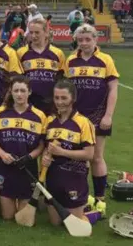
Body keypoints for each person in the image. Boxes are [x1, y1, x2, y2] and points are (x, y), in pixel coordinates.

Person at [64, 24, 120, 216]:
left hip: (99, 117)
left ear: (96, 39)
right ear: (76, 41)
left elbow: (113, 89)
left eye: (88, 39)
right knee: (81, 161)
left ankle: (100, 198)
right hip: (78, 119)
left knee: (96, 157)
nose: (84, 43)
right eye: (80, 40)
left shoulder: (105, 60)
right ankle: (84, 197)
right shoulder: (71, 60)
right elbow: (66, 91)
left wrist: (109, 115)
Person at [0, 75, 46, 220]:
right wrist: (2, 154)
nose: (19, 94)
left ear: (29, 92)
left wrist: (29, 157)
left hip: (27, 169)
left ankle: (37, 201)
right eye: (16, 91)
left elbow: (41, 144)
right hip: (5, 167)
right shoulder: (0, 112)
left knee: (23, 219)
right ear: (11, 92)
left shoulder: (39, 116)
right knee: (8, 217)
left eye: (23, 91)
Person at [41, 80, 95, 226]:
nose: (59, 102)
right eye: (56, 97)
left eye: (64, 98)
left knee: (73, 224)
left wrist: (62, 152)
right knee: (55, 223)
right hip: (53, 179)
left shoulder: (83, 123)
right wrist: (45, 157)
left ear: (73, 99)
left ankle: (93, 210)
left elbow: (89, 154)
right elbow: (47, 147)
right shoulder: (50, 120)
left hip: (74, 178)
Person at [16, 19, 66, 115]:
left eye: (37, 32)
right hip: (28, 102)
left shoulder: (58, 53)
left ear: (46, 33)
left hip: (51, 104)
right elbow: (18, 80)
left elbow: (61, 80)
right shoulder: (21, 52)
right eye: (31, 32)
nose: (33, 36)